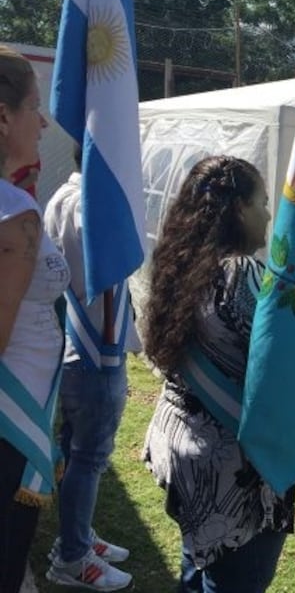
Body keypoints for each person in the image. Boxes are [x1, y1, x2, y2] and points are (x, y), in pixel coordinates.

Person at [142, 156, 293, 593]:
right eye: (262, 202)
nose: (269, 214)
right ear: (239, 209)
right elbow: (279, 363)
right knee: (233, 581)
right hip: (231, 472)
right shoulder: (241, 273)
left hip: (187, 452)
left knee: (199, 569)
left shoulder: (184, 266)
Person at [44, 147, 138, 590]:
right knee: (89, 456)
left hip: (79, 344)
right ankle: (72, 557)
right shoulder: (89, 205)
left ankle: (75, 536)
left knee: (77, 450)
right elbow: (105, 265)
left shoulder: (63, 197)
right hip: (94, 348)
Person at [0, 45, 70, 593]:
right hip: (9, 421)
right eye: (33, 107)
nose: (42, 122)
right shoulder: (15, 215)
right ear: (3, 118)